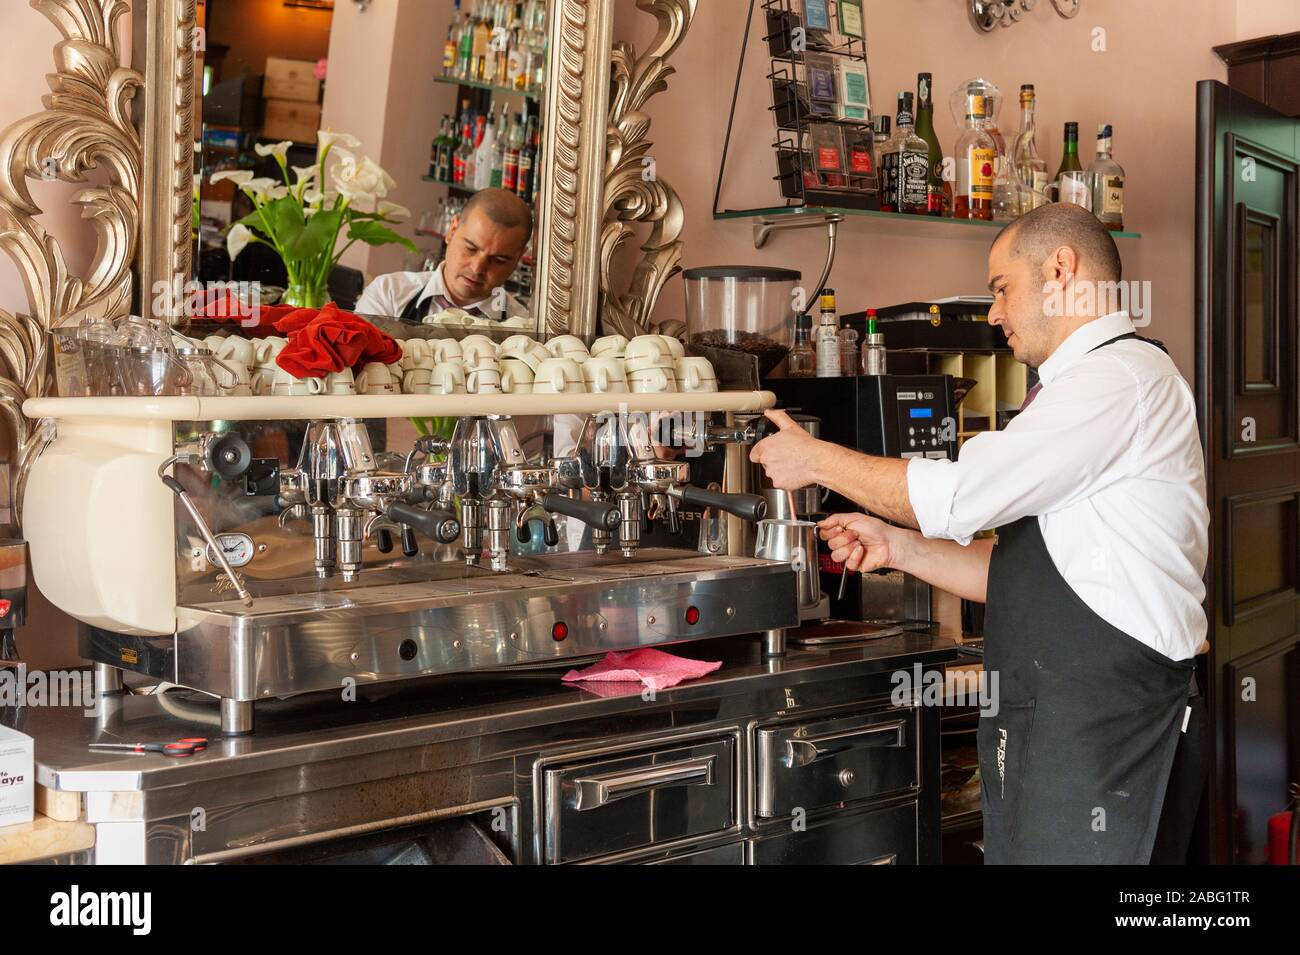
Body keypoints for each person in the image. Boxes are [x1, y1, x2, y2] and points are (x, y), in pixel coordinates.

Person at [750, 202, 1209, 864]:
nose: (993, 313)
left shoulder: (1118, 381)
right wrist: (898, 546)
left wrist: (816, 459)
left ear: (1061, 268)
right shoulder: (1081, 387)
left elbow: (960, 495)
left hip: (1111, 732)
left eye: (1001, 288)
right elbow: (1027, 575)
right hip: (1065, 727)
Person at [354, 188, 532, 323]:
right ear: (452, 230)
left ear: (518, 258)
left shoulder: (522, 326)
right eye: (471, 248)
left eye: (498, 260)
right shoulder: (388, 295)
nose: (477, 268)